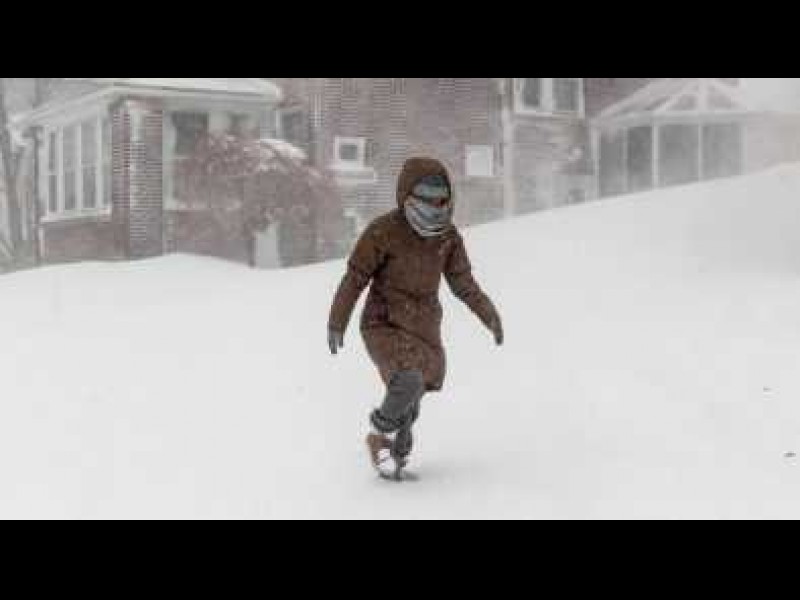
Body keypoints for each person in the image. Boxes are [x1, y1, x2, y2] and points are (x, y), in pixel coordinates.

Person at [328, 157, 503, 477]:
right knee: (407, 381)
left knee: (412, 399)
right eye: (425, 197)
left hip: (423, 327)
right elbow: (355, 278)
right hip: (383, 323)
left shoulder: (448, 238)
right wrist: (337, 320)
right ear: (406, 195)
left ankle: (396, 459)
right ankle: (378, 436)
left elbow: (463, 282)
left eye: (440, 198)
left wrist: (488, 313)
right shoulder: (383, 232)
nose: (434, 206)